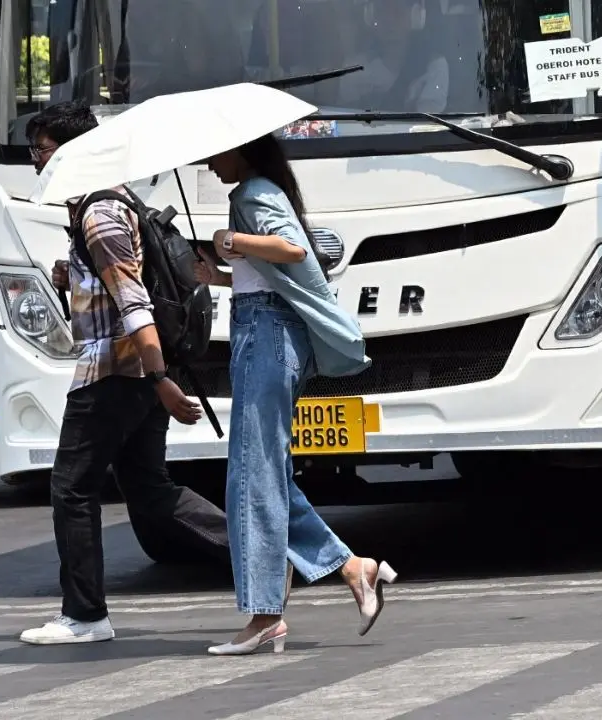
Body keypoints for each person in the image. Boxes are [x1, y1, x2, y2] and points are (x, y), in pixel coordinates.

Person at [18, 101, 232, 646]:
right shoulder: (109, 202)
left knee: (71, 489)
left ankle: (85, 615)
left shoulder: (100, 213)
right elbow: (117, 288)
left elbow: (134, 302)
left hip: (114, 371)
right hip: (132, 369)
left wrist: (161, 380)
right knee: (150, 491)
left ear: (73, 150)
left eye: (42, 150)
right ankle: (269, 558)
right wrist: (74, 279)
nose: (36, 161)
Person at [194, 132, 396, 655]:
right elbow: (270, 277)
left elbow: (292, 249)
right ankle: (353, 569)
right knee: (265, 474)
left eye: (216, 151)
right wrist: (219, 275)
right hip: (264, 328)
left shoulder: (254, 191)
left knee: (253, 475)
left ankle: (265, 614)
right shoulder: (260, 189)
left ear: (241, 148)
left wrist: (231, 240)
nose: (210, 162)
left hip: (264, 336)